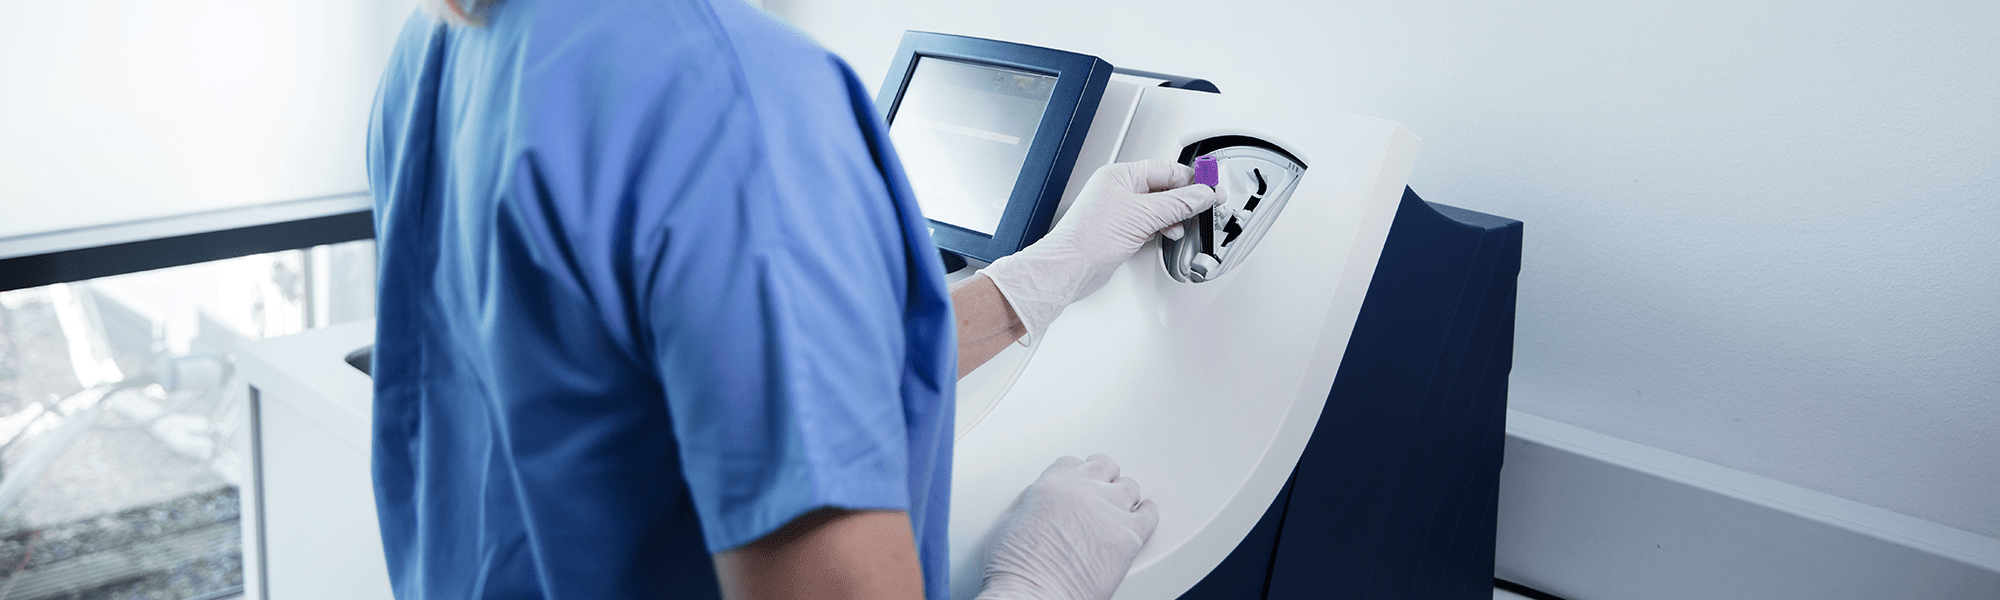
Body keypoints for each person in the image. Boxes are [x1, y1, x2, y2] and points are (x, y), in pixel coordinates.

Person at [365, 0, 1219, 598]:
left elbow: (682, 376)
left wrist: (1038, 278)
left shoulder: (450, 40)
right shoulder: (737, 97)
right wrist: (1038, 587)